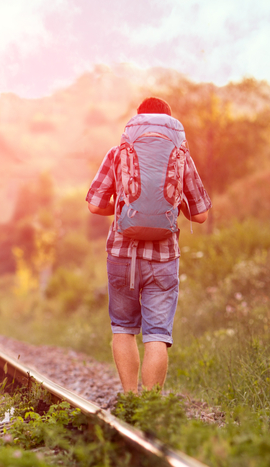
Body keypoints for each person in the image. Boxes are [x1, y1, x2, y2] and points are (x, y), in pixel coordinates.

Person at [85, 97, 211, 393]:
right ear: (169, 123)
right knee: (156, 335)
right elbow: (201, 215)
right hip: (163, 257)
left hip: (121, 253)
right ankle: (151, 408)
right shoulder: (180, 156)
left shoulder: (118, 153)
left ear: (138, 121)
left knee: (123, 329)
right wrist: (170, 204)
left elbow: (94, 205)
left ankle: (130, 400)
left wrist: (124, 210)